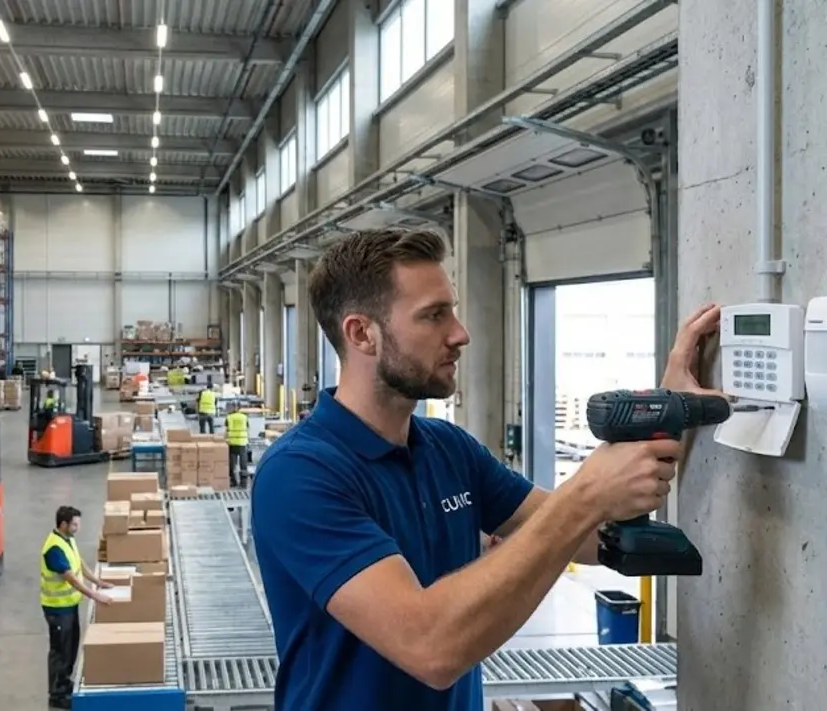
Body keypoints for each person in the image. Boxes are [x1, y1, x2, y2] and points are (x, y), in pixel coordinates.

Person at [249, 227, 722, 711]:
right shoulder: (300, 474)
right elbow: (430, 646)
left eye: (451, 310)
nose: (460, 333)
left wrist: (669, 411)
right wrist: (585, 492)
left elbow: (590, 535)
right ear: (361, 333)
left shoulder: (446, 447)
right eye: (434, 316)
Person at [40, 506, 115, 710]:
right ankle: (57, 695)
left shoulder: (67, 539)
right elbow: (71, 578)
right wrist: (94, 595)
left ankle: (65, 684)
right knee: (60, 651)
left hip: (69, 607)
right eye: (74, 524)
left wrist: (97, 581)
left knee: (71, 647)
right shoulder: (53, 548)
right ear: (63, 524)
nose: (78, 528)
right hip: (57, 610)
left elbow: (78, 563)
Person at [224, 403, 250, 487]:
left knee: (232, 464)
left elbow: (226, 431)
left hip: (232, 443)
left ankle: (233, 482)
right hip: (243, 443)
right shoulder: (245, 417)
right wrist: (247, 441)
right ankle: (244, 483)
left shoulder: (229, 417)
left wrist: (225, 441)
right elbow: (248, 430)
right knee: (243, 464)